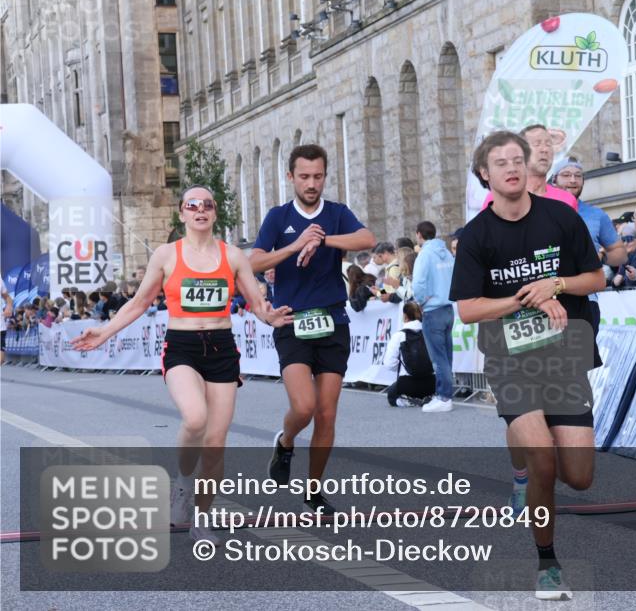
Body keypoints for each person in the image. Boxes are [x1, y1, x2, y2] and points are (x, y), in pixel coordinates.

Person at [71, 186, 292, 544]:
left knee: (216, 443)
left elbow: (256, 303)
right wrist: (105, 332)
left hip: (221, 348)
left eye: (207, 205)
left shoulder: (233, 255)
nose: (200, 210)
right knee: (195, 419)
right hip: (182, 347)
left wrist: (271, 317)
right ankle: (183, 481)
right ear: (182, 213)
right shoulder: (166, 255)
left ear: (215, 212)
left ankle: (201, 519)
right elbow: (139, 302)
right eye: (193, 205)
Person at [451, 130, 605, 601]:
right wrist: (525, 298)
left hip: (564, 355)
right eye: (500, 163)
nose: (512, 168)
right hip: (511, 360)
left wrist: (555, 285)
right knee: (542, 458)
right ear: (485, 175)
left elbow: (596, 277)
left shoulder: (560, 217)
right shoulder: (476, 235)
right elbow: (468, 309)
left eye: (517, 160)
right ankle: (547, 563)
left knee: (578, 475)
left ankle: (526, 471)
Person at [250, 144, 376, 515]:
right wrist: (294, 246)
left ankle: (314, 491)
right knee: (303, 407)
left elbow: (367, 239)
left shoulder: (336, 213)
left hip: (333, 321)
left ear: (324, 176)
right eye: (304, 176)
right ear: (291, 176)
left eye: (318, 176)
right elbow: (254, 261)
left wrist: (323, 239)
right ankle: (286, 441)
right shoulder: (278, 217)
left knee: (326, 413)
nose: (311, 183)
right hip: (292, 321)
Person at [550, 157, 627, 336]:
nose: (573, 180)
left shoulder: (596, 215)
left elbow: (621, 255)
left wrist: (602, 256)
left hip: (586, 299)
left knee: (583, 354)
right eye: (566, 175)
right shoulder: (539, 210)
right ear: (554, 180)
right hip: (546, 301)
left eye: (578, 176)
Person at [412, 220, 457, 413]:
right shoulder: (446, 252)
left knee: (438, 358)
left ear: (419, 234)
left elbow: (418, 283)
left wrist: (421, 301)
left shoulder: (425, 254)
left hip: (432, 309)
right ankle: (445, 395)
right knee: (446, 355)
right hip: (448, 307)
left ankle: (443, 396)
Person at [481, 124, 579, 212]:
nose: (544, 149)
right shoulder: (498, 199)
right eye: (537, 144)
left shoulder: (567, 201)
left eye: (549, 144)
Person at [381, 301, 436, 407]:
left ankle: (407, 400)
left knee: (391, 395)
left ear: (405, 316)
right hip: (431, 383)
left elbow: (389, 364)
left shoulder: (399, 335)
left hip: (407, 384)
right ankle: (429, 397)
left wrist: (403, 365)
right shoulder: (430, 333)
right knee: (427, 387)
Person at [612, 223, 636, 289]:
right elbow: (616, 282)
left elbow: (631, 283)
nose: (625, 243)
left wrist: (620, 278)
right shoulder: (630, 254)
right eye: (623, 239)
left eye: (629, 239)